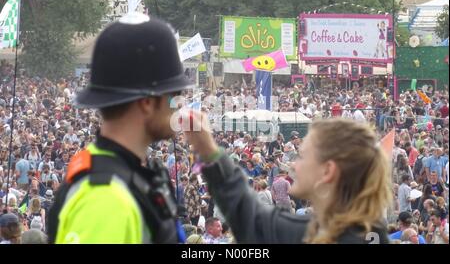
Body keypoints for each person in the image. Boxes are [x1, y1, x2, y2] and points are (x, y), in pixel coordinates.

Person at [48, 14, 193, 244]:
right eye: (174, 97)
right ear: (147, 102)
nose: (180, 107)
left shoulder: (129, 175)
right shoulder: (105, 199)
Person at [184, 116, 391, 243]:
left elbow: (250, 216)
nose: (293, 165)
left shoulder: (308, 234)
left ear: (327, 171)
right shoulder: (370, 233)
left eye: (302, 156)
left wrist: (208, 150)